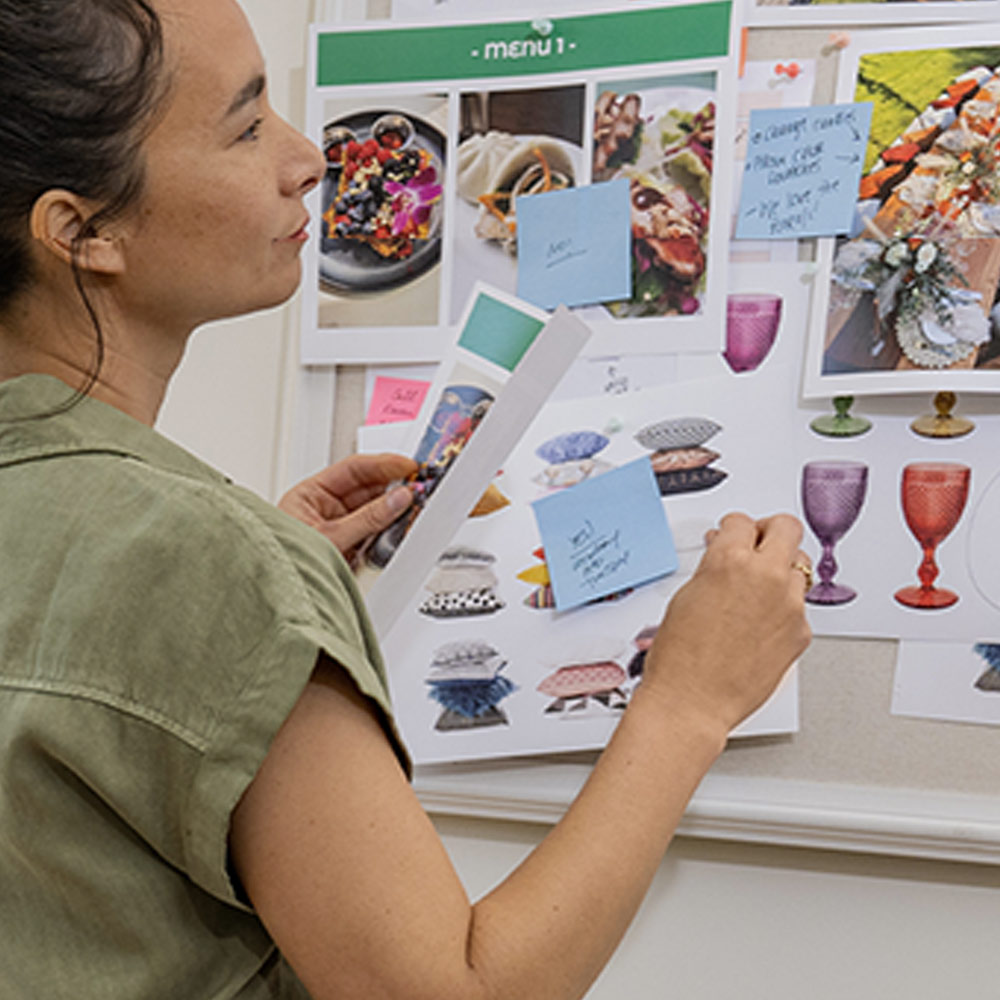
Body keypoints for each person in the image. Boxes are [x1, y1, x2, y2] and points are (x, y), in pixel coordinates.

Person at [0, 1, 812, 997]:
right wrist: (688, 701)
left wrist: (250, 600)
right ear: (82, 231)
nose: (309, 160)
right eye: (247, 126)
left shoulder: (175, 558)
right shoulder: (214, 566)